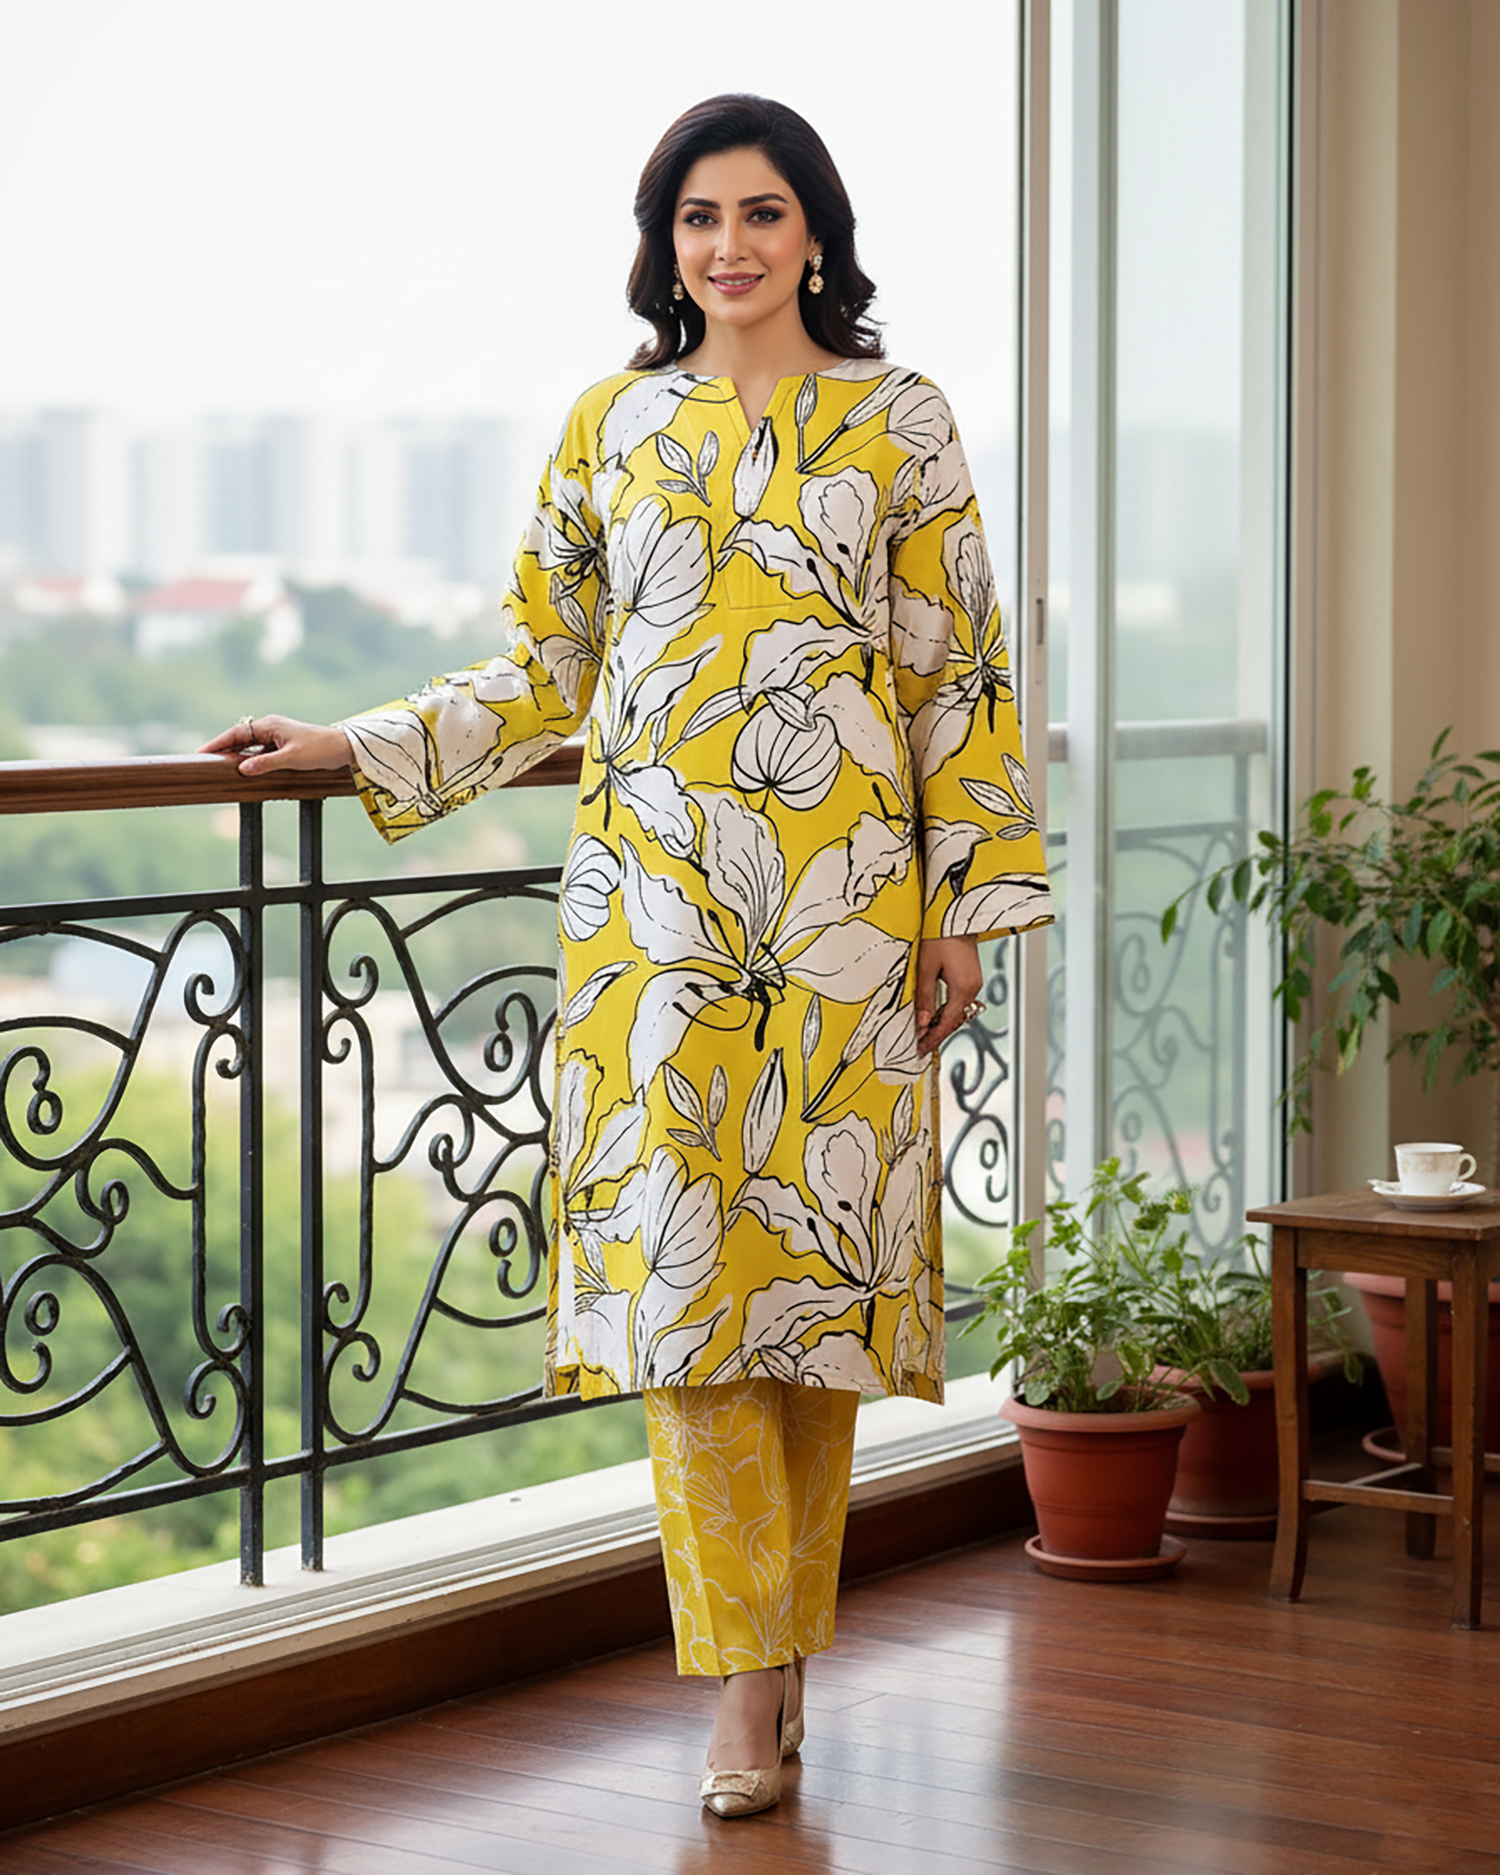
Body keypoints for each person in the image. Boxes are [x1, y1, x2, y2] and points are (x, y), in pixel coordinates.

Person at [203, 93, 1052, 1819]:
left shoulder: (903, 417)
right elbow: (548, 670)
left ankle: (774, 1655)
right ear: (666, 246)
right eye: (696, 219)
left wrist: (961, 907)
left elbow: (954, 674)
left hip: (846, 920)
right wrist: (357, 745)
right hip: (653, 927)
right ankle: (746, 1684)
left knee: (808, 1295)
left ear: (815, 231)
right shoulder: (614, 424)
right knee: (687, 1301)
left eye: (759, 211)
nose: (728, 245)